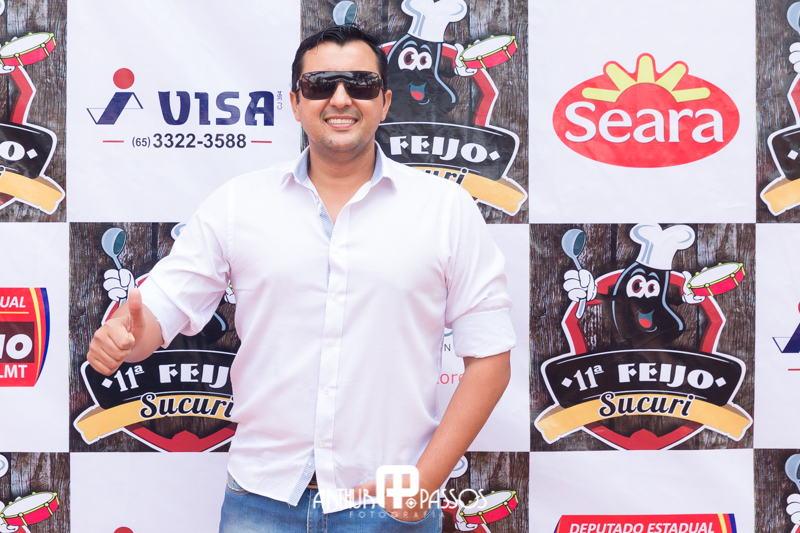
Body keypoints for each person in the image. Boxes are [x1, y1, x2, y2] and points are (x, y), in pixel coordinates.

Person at [86, 25, 515, 533]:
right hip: (259, 502)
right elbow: (156, 314)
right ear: (295, 102)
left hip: (388, 505)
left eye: (360, 84)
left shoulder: (445, 209)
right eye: (320, 84)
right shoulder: (238, 205)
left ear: (384, 102)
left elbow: (490, 359)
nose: (341, 98)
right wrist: (125, 339)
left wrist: (422, 484)